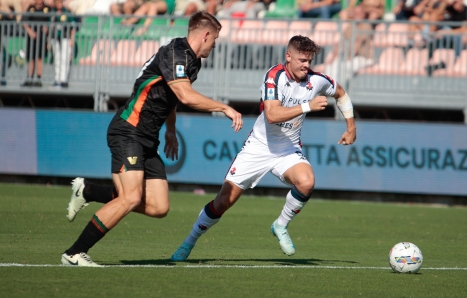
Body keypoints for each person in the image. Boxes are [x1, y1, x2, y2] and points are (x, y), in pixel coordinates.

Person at [61, 11, 243, 267]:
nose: (215, 44)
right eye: (216, 39)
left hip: (147, 139)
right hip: (129, 130)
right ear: (206, 34)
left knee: (158, 206)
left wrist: (170, 130)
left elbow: (171, 98)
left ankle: (88, 190)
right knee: (131, 197)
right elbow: (186, 95)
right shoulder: (175, 52)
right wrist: (224, 107)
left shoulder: (193, 62)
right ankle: (74, 253)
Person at [170, 35, 357, 261]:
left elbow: (341, 93)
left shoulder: (316, 81)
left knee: (307, 182)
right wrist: (307, 105)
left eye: (310, 60)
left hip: (288, 149)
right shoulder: (274, 76)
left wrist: (351, 126)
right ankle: (189, 242)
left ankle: (280, 225)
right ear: (288, 56)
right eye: (302, 60)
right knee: (222, 203)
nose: (307, 65)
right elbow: (272, 115)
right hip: (258, 147)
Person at [21, 0, 52, 87]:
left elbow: (52, 22)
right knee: (31, 58)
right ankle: (29, 78)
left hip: (42, 38)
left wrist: (48, 29)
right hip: (31, 38)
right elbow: (24, 21)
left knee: (39, 58)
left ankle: (38, 80)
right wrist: (30, 31)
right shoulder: (31, 8)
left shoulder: (48, 9)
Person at [50, 0, 76, 88]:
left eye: (60, 2)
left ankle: (63, 79)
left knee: (65, 58)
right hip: (55, 38)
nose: (59, 4)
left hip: (66, 37)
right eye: (57, 2)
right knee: (57, 58)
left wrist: (72, 38)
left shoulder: (67, 12)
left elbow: (73, 27)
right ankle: (57, 79)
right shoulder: (52, 12)